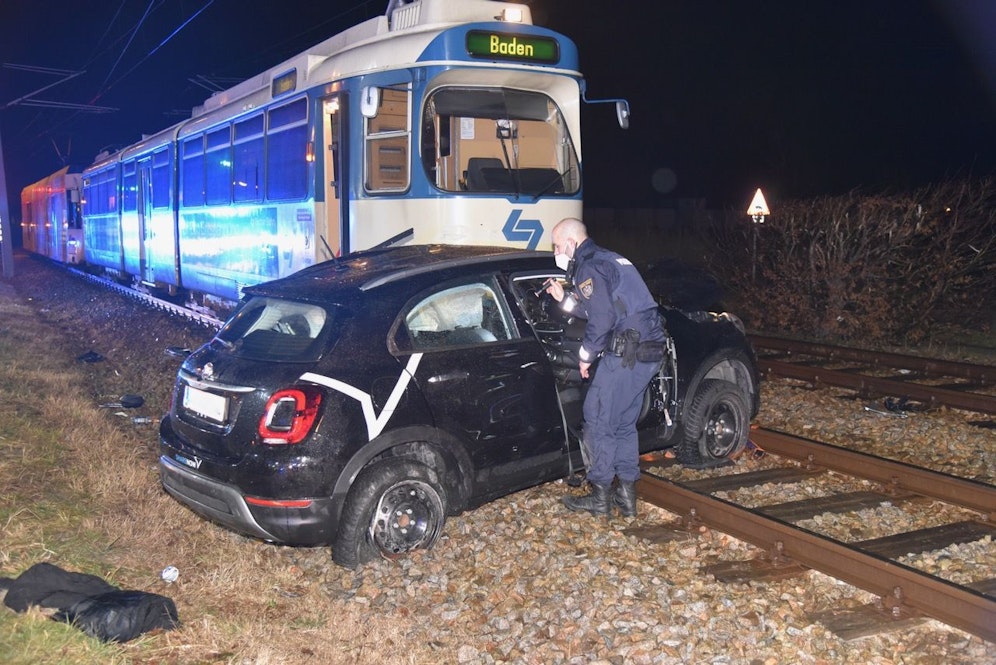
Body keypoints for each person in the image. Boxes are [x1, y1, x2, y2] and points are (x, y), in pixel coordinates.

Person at [545, 218, 665, 518]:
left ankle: (599, 499)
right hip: (648, 352)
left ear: (572, 242)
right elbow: (601, 306)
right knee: (623, 423)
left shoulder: (589, 266)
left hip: (627, 353)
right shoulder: (610, 258)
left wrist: (585, 356)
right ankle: (627, 498)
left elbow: (602, 319)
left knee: (597, 420)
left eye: (557, 246)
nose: (556, 251)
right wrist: (564, 300)